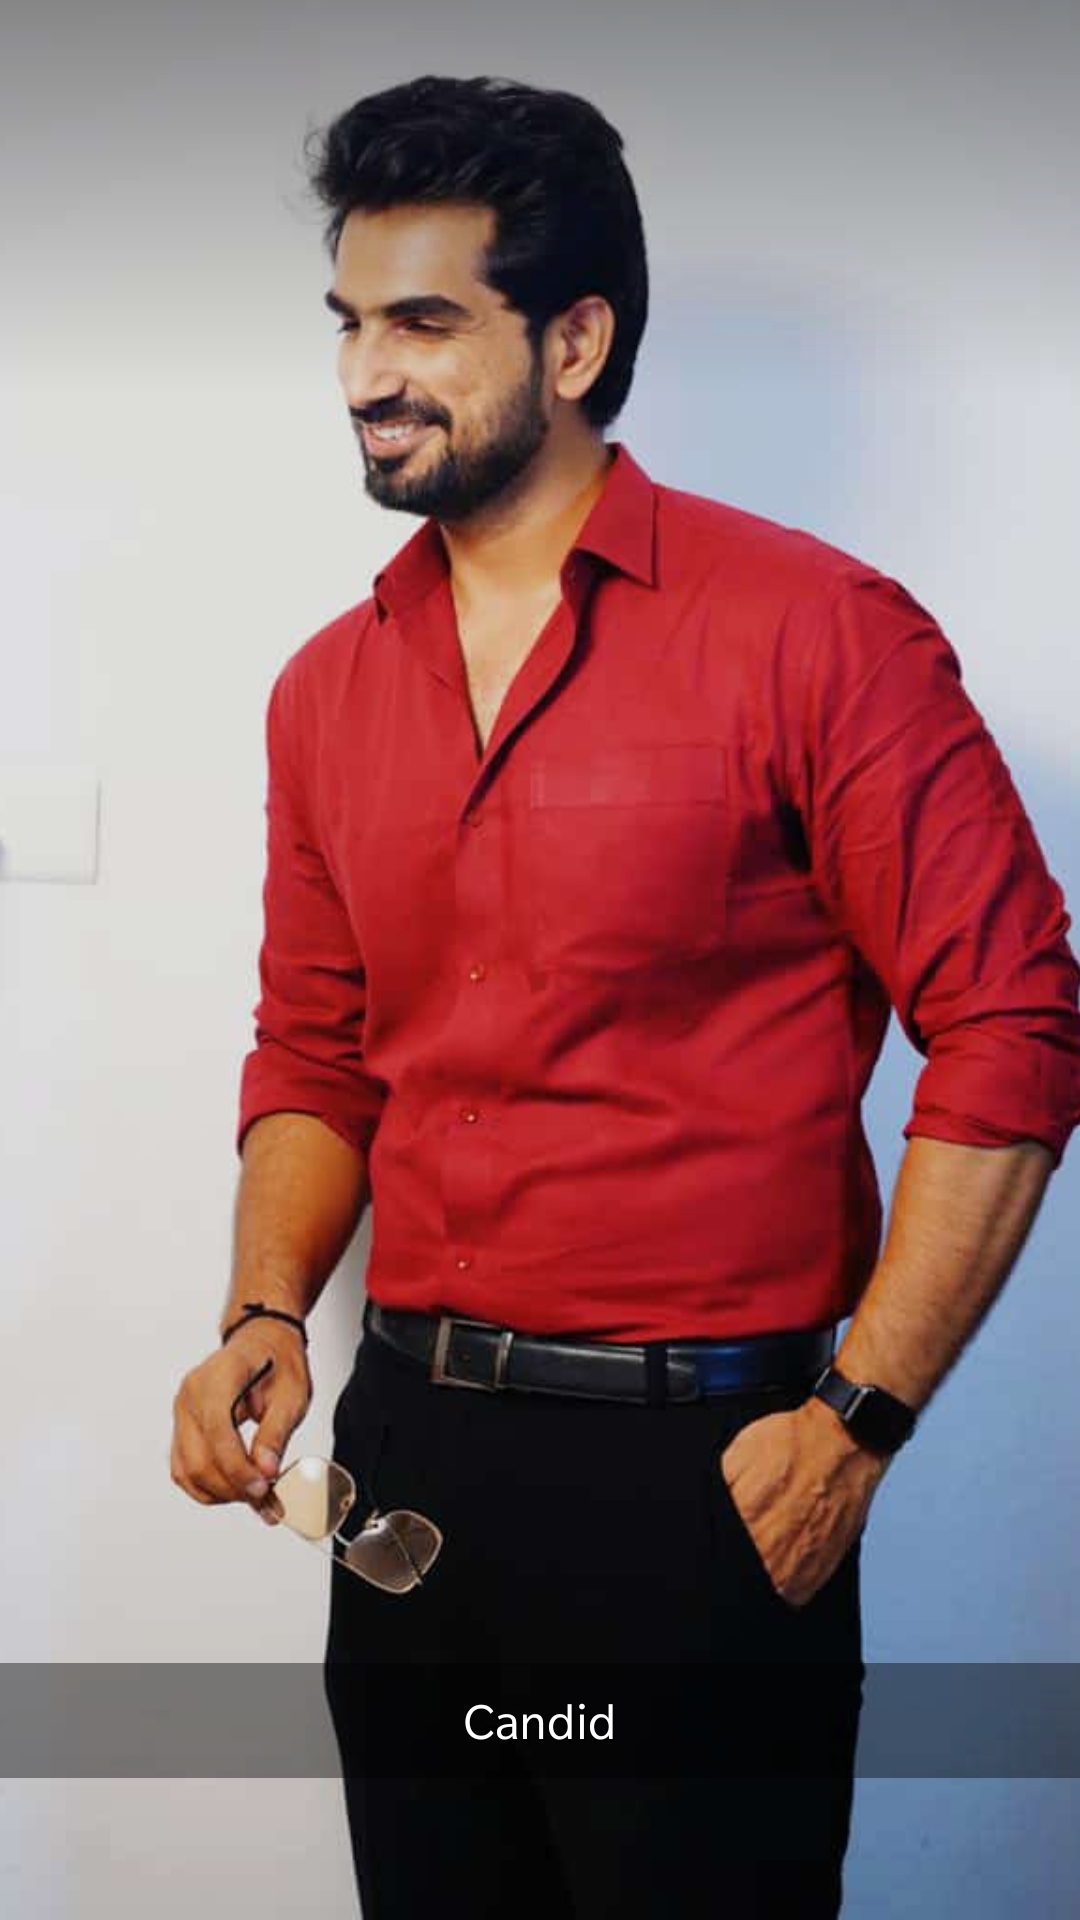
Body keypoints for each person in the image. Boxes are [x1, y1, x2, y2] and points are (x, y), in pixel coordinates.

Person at [170, 73, 1080, 1918]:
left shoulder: (815, 632)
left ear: (574, 341)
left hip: (699, 1485)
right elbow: (318, 1053)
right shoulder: (326, 689)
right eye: (350, 322)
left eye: (426, 323)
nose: (365, 375)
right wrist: (265, 1305)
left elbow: (1015, 1021)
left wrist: (861, 1421)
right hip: (410, 1460)